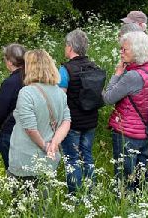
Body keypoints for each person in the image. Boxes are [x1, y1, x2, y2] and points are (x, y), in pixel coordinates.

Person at [103, 31, 148, 191]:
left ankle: (124, 208)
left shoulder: (133, 76)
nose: (121, 52)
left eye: (124, 49)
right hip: (144, 130)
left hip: (126, 132)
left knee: (124, 178)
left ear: (136, 51)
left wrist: (117, 74)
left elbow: (107, 98)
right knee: (142, 177)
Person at [8, 49, 71, 180]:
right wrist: (54, 144)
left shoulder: (26, 92)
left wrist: (45, 147)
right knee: (44, 198)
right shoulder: (60, 92)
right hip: (50, 161)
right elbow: (66, 121)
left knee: (21, 198)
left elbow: (30, 128)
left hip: (25, 160)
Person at [58, 29, 99, 194]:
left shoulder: (65, 70)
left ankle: (75, 196)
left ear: (70, 47)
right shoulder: (95, 67)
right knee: (86, 155)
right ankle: (91, 193)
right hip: (90, 121)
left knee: (72, 159)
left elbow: (60, 99)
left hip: (72, 123)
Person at [0, 43, 26, 170]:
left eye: (5, 58)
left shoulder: (10, 83)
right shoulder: (33, 78)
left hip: (12, 132)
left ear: (10, 62)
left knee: (14, 173)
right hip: (32, 131)